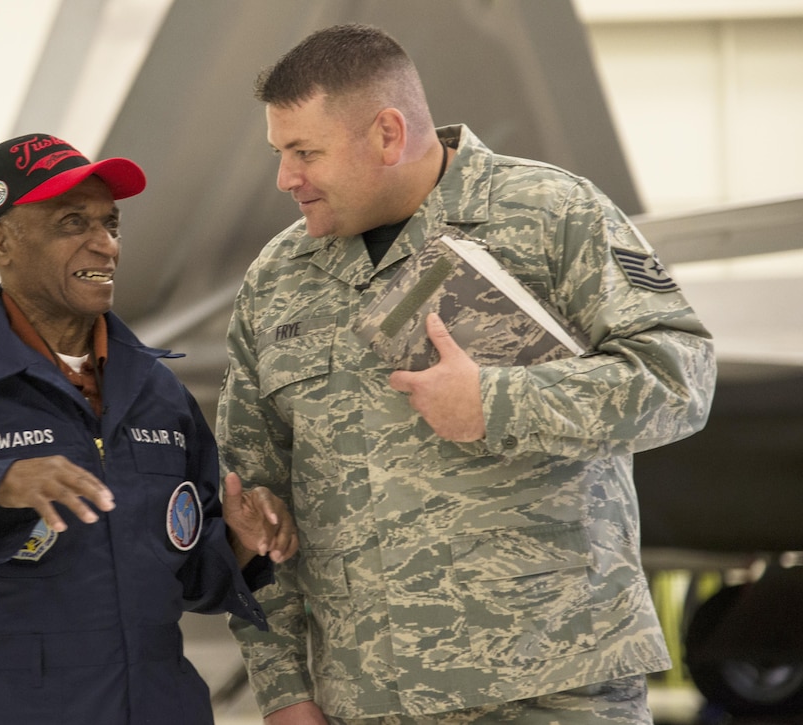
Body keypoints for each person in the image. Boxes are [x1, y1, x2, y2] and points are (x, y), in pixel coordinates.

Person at [217, 24, 716, 725]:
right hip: (369, 699)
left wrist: (500, 403)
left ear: (388, 135)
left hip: (552, 685)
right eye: (281, 153)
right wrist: (283, 687)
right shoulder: (277, 279)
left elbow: (680, 377)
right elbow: (254, 500)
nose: (286, 178)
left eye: (305, 152)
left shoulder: (551, 214)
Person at [0, 132, 298, 725]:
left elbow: (192, 574)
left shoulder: (155, 389)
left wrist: (243, 541)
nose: (106, 246)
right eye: (73, 223)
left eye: (111, 224)